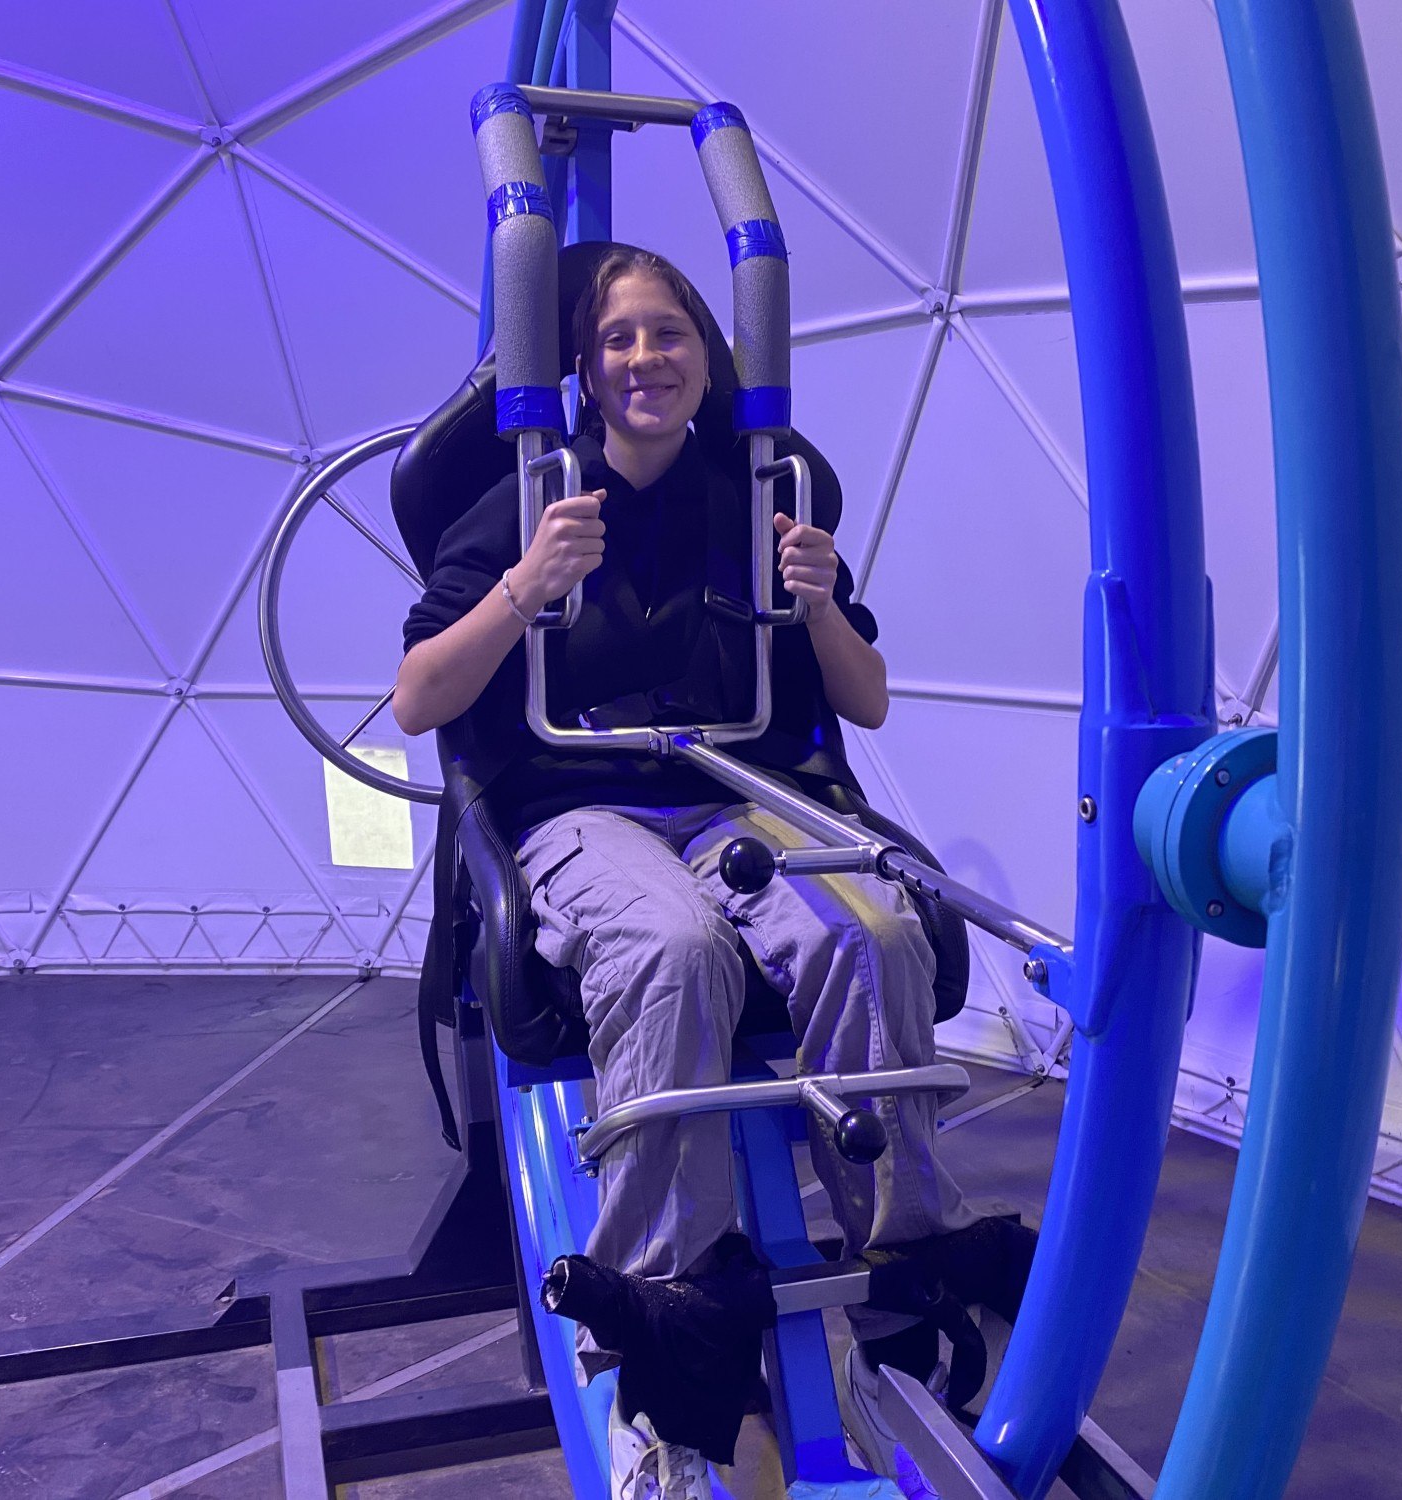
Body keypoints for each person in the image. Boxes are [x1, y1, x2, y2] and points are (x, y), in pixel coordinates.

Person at [394, 245, 1011, 1499]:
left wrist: (819, 603)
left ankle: (899, 1273)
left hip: (745, 799)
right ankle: (659, 1337)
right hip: (576, 809)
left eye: (667, 333)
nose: (645, 359)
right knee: (670, 948)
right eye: (617, 339)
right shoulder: (524, 501)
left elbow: (865, 701)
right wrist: (525, 585)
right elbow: (417, 698)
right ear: (582, 368)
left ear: (706, 356)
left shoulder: (761, 497)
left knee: (872, 934)